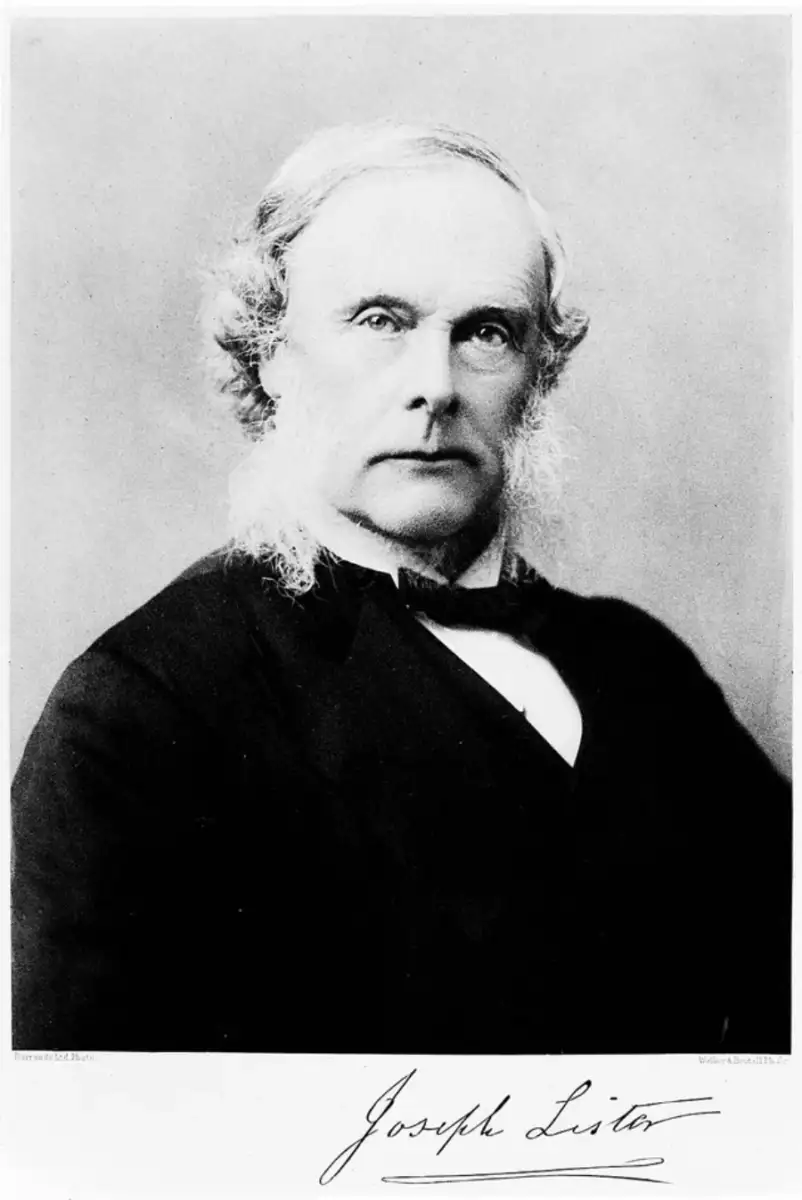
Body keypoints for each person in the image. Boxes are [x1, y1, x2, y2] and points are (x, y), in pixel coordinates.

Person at [12, 121, 791, 1054]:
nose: (436, 385)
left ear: (538, 376)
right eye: (379, 321)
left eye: (487, 332)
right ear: (273, 352)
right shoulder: (139, 712)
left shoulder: (643, 670)